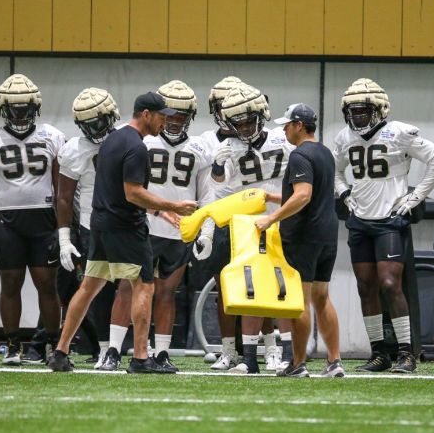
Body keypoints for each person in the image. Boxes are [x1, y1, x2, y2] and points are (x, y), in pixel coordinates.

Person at [48, 92, 198, 373]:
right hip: (127, 228)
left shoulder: (112, 140)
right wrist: (174, 204)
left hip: (101, 226)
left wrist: (160, 212)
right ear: (146, 114)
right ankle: (141, 358)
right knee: (144, 286)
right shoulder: (137, 147)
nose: (165, 122)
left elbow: (117, 189)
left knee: (88, 288)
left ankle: (60, 351)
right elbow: (133, 194)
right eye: (162, 116)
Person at [333, 78, 434, 374]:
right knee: (365, 287)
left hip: (389, 219)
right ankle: (378, 354)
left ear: (379, 109)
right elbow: (335, 171)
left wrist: (416, 196)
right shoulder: (345, 137)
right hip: (360, 221)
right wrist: (344, 194)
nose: (357, 117)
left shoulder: (398, 133)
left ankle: (406, 353)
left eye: (363, 111)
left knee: (389, 284)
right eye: (354, 111)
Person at [108, 81, 216, 373]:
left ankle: (162, 352)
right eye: (171, 114)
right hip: (142, 226)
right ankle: (113, 349)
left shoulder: (200, 147)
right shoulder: (140, 140)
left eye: (181, 115)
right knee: (126, 290)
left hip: (178, 231)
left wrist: (205, 232)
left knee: (167, 293)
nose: (175, 120)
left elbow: (206, 194)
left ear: (191, 116)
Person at [0, 74, 66, 366]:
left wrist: (65, 229)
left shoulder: (52, 135)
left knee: (47, 285)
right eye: (15, 108)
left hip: (43, 218)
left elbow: (61, 187)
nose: (21, 113)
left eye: (25, 107)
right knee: (10, 283)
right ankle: (13, 346)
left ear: (35, 106)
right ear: (4, 108)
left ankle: (53, 345)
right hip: (7, 220)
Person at [253, 103, 343, 378]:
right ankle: (334, 361)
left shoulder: (299, 155)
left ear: (299, 126)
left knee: (300, 301)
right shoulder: (325, 153)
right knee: (322, 297)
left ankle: (298, 362)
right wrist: (272, 197)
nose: (284, 129)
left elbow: (303, 196)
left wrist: (271, 218)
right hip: (328, 235)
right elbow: (313, 195)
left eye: (287, 125)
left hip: (305, 237)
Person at [211, 81, 295, 374]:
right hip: (248, 226)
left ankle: (283, 353)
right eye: (239, 123)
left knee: (280, 291)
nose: (245, 127)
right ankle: (250, 357)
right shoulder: (228, 147)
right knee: (250, 290)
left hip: (281, 221)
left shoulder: (283, 140)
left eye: (249, 121)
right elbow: (219, 189)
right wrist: (217, 167)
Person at [53, 88, 123, 367]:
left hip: (129, 223)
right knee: (99, 290)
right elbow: (64, 197)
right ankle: (105, 349)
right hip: (93, 226)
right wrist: (64, 239)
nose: (95, 129)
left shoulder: (128, 139)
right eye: (88, 124)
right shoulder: (73, 149)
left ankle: (137, 346)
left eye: (99, 121)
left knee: (136, 287)